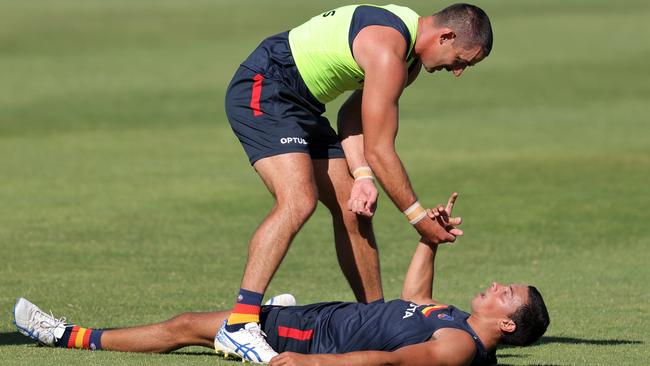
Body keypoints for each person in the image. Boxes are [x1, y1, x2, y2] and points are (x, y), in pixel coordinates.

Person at [220, 2, 493, 361]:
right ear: (446, 35)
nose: (457, 71)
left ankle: (373, 318)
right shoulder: (388, 51)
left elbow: (351, 116)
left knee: (355, 207)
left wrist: (362, 177)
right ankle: (240, 324)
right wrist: (418, 218)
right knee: (298, 200)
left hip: (302, 105)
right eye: (461, 60)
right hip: (264, 86)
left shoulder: (406, 59)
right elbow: (380, 149)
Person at [14, 195, 549, 366]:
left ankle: (63, 335)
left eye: (508, 294)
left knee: (187, 326)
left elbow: (385, 361)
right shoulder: (453, 319)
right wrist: (429, 239)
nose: (498, 284)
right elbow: (413, 299)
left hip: (313, 339)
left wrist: (308, 362)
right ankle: (266, 319)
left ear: (506, 321)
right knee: (208, 323)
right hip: (320, 319)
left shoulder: (458, 345)